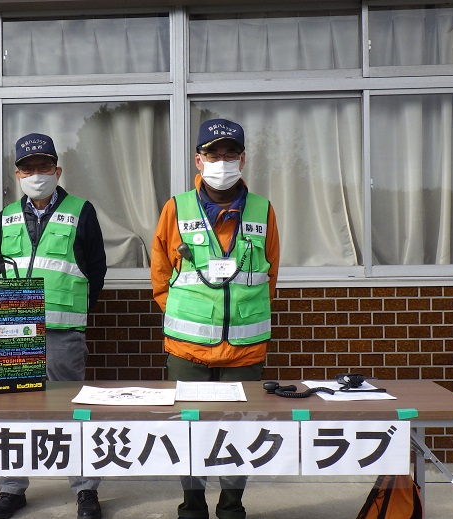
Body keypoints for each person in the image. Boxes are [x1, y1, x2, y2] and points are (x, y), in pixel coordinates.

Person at [150, 119, 280, 519]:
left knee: (238, 432)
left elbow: (269, 273)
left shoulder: (262, 210)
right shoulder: (176, 208)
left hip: (243, 351)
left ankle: (231, 507)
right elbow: (160, 273)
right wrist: (185, 317)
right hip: (187, 350)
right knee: (189, 431)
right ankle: (191, 506)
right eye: (212, 154)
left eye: (229, 155)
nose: (221, 162)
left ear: (242, 158)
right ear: (198, 159)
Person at [0, 133, 107, 519]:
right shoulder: (5, 215)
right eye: (28, 168)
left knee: (71, 410)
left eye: (43, 167)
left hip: (62, 331)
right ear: (17, 173)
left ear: (57, 170)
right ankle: (11, 489)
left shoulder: (80, 210)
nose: (35, 174)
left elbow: (96, 270)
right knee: (11, 411)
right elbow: (0, 271)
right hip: (12, 329)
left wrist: (76, 311)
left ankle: (85, 489)